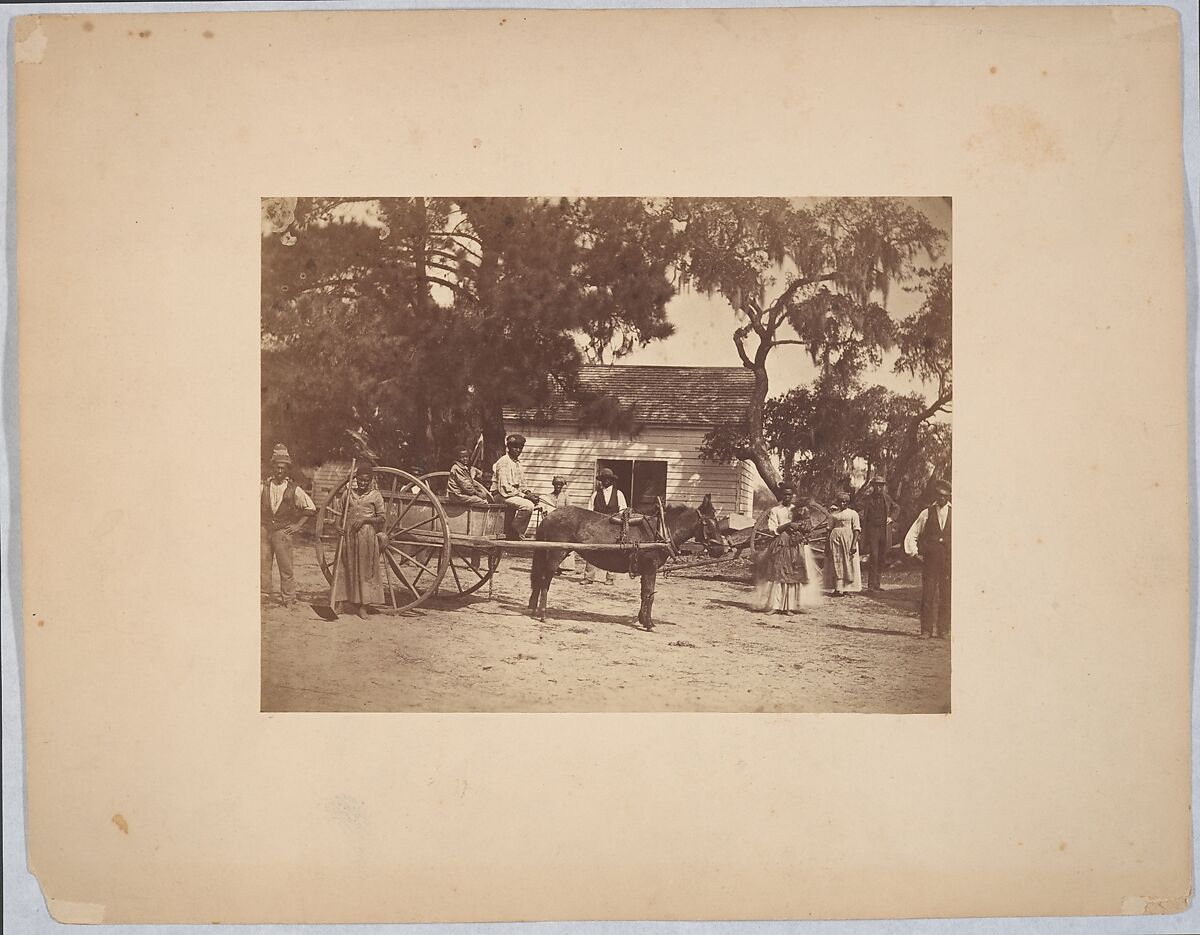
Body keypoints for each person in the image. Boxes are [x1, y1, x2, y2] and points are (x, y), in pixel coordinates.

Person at [261, 444, 316, 607]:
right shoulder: (264, 486)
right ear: (273, 468)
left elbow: (311, 508)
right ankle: (264, 594)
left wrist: (298, 525)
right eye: (277, 468)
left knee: (286, 566)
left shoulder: (294, 489)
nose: (279, 471)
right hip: (264, 530)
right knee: (263, 564)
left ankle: (289, 597)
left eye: (282, 468)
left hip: (282, 531)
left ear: (287, 469)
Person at [332, 463, 386, 618]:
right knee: (344, 567)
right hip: (348, 535)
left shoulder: (375, 496)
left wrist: (365, 519)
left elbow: (382, 518)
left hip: (366, 536)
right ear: (356, 479)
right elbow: (339, 511)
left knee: (364, 570)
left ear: (370, 481)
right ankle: (340, 603)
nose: (362, 483)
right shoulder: (348, 494)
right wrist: (337, 525)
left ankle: (363, 606)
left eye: (366, 480)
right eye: (360, 480)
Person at [756, 485, 820, 614]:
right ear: (781, 495)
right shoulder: (775, 510)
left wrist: (801, 530)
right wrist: (787, 525)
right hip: (781, 543)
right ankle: (775, 605)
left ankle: (788, 607)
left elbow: (806, 525)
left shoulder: (798, 509)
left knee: (792, 574)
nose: (787, 497)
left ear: (792, 496)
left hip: (795, 545)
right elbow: (772, 528)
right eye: (785, 494)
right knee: (778, 573)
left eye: (789, 494)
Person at [904, 478, 952, 639]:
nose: (942, 499)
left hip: (949, 561)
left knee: (946, 594)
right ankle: (926, 630)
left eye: (945, 496)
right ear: (936, 495)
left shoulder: (956, 514)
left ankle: (944, 630)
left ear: (949, 496)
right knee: (928, 594)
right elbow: (912, 534)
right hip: (931, 560)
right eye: (939, 495)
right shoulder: (927, 513)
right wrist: (914, 553)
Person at [582, 468, 627, 585]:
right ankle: (589, 576)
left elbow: (623, 510)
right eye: (604, 479)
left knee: (612, 551)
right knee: (591, 549)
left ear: (612, 480)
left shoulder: (618, 493)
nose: (606, 481)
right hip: (597, 526)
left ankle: (610, 577)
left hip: (613, 526)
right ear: (601, 480)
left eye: (609, 479)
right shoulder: (596, 494)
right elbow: (589, 511)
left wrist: (617, 522)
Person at [493, 434, 540, 540]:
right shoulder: (504, 462)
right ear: (508, 447)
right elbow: (504, 489)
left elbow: (522, 484)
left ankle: (517, 532)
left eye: (520, 448)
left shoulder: (517, 463)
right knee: (527, 506)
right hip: (500, 496)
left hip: (511, 495)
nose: (518, 450)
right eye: (515, 447)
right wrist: (525, 496)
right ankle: (513, 532)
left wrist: (529, 493)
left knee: (538, 503)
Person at [859, 475, 897, 591]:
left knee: (882, 557)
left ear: (883, 487)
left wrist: (891, 518)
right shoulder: (867, 499)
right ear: (873, 486)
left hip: (884, 531)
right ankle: (871, 585)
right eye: (876, 486)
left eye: (880, 486)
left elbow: (896, 508)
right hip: (872, 531)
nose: (878, 488)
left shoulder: (887, 498)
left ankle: (878, 584)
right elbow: (860, 511)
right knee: (874, 556)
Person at [825, 490, 862, 596]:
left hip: (848, 539)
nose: (842, 504)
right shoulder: (833, 515)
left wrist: (854, 544)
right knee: (837, 561)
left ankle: (847, 588)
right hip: (835, 539)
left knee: (848, 562)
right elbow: (829, 529)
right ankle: (837, 588)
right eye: (841, 502)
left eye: (845, 502)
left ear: (848, 502)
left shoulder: (853, 514)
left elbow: (856, 529)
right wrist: (827, 544)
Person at [542, 475, 577, 575]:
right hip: (552, 524)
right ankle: (553, 566)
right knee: (551, 545)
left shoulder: (566, 497)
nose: (558, 486)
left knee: (564, 545)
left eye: (560, 485)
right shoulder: (548, 497)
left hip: (563, 524)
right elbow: (544, 508)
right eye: (556, 484)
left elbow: (570, 510)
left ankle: (566, 567)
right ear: (553, 485)